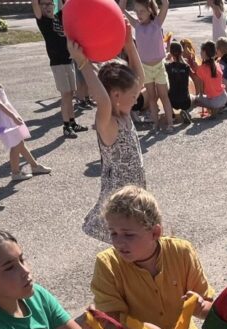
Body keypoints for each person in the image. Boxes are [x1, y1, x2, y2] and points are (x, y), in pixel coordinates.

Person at [90, 186, 218, 329]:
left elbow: (211, 308)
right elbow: (109, 323)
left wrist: (201, 306)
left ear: (155, 232)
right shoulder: (107, 264)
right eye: (113, 233)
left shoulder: (181, 251)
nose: (119, 242)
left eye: (128, 234)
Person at [71, 28, 147, 243]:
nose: (137, 99)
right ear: (116, 95)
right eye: (133, 95)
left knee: (134, 239)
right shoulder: (108, 123)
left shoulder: (124, 113)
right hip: (119, 201)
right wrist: (83, 64)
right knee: (125, 240)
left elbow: (139, 80)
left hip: (134, 191)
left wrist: (130, 46)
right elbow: (103, 101)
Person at [0, 41, 52, 181]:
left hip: (0, 114)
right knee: (16, 144)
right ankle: (15, 173)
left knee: (19, 142)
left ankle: (34, 166)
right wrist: (12, 115)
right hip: (4, 114)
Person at [31, 0, 87, 139]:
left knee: (71, 93)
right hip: (57, 63)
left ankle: (73, 123)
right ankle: (66, 126)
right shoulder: (42, 21)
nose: (47, 7)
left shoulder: (59, 17)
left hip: (68, 60)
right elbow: (34, 4)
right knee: (65, 94)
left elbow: (63, 4)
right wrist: (38, 4)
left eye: (50, 4)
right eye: (44, 4)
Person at [122, 0, 174, 131]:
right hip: (145, 68)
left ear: (150, 10)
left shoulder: (157, 23)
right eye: (136, 11)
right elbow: (121, 9)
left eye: (142, 11)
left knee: (164, 96)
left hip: (159, 67)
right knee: (151, 98)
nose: (139, 14)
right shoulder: (137, 25)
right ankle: (155, 124)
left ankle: (170, 123)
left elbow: (165, 4)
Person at [190, 41, 227, 115]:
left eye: (201, 51)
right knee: (208, 96)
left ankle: (213, 108)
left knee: (194, 98)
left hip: (214, 101)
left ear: (204, 52)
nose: (200, 53)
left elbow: (201, 90)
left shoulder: (201, 69)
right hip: (224, 97)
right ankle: (216, 108)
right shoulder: (217, 64)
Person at [165, 40, 194, 123]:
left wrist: (167, 57)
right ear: (182, 52)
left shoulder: (168, 66)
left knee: (165, 93)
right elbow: (194, 75)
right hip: (185, 101)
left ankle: (172, 115)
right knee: (193, 96)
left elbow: (164, 62)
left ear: (171, 53)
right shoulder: (186, 66)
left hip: (173, 101)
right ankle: (185, 111)